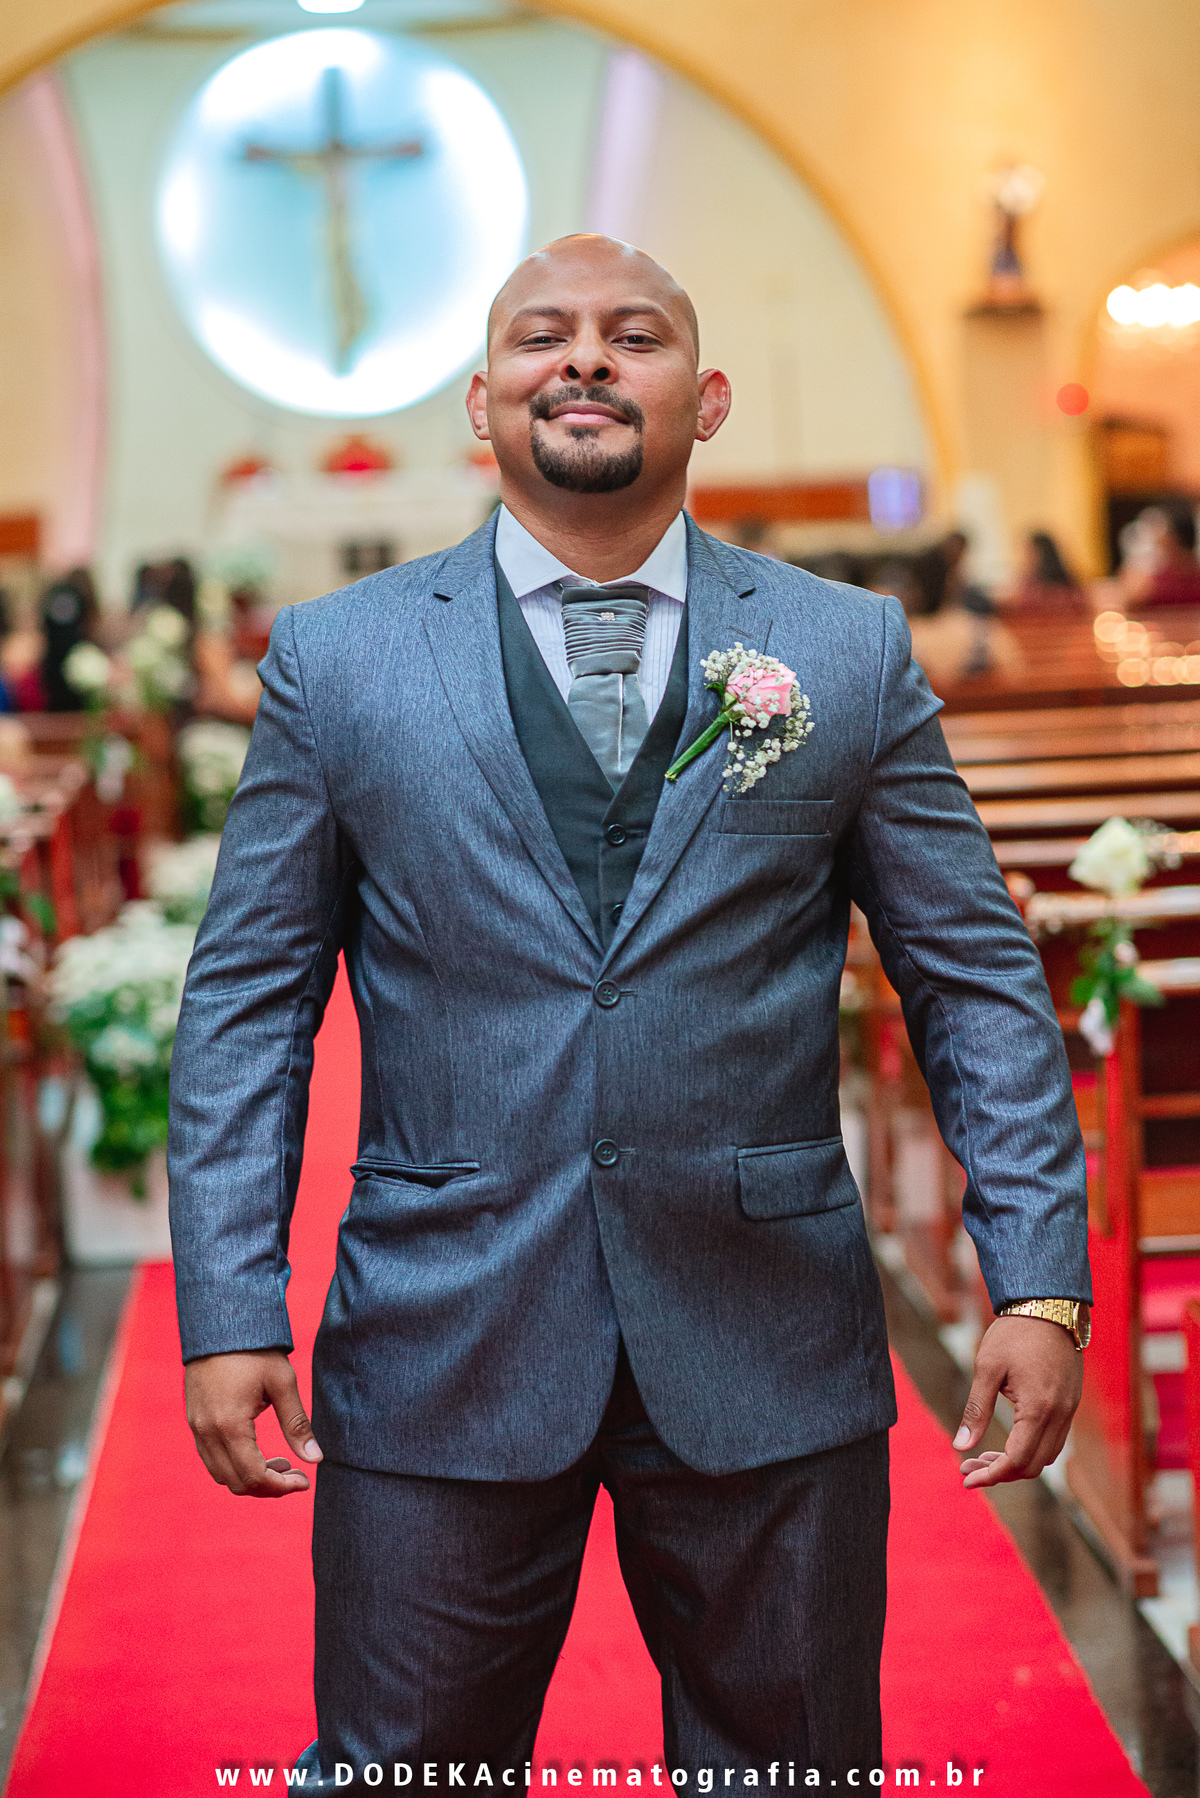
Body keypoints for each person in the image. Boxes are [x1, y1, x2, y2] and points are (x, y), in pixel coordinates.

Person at [169, 236, 1090, 1784]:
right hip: (441, 1335)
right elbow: (249, 1003)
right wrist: (231, 1303)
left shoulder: (841, 649)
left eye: (634, 335)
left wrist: (1040, 1279)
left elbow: (975, 976)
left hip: (765, 1331)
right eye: (543, 335)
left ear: (707, 398)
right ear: (482, 401)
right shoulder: (340, 660)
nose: (585, 358)